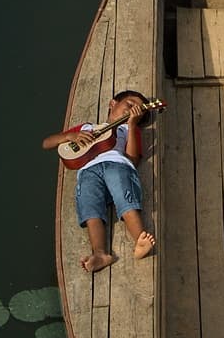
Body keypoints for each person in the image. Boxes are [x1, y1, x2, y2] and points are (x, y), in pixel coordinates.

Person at [42, 90, 157, 271]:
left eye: (137, 110)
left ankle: (140, 240)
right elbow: (47, 143)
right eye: (129, 103)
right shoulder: (87, 128)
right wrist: (68, 136)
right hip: (88, 170)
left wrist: (133, 125)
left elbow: (132, 158)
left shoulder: (128, 129)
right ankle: (100, 253)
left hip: (116, 164)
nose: (132, 109)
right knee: (89, 205)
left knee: (124, 194)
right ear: (112, 104)